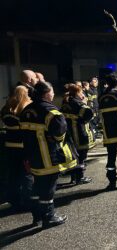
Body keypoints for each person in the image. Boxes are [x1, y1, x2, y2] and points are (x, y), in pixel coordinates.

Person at [20, 81, 77, 227]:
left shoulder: (26, 110)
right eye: (52, 92)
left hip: (32, 156)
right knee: (48, 188)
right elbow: (60, 134)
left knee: (37, 186)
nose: (53, 94)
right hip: (48, 157)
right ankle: (49, 216)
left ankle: (37, 216)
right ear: (47, 94)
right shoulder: (51, 111)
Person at [0, 86, 33, 211]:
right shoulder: (25, 109)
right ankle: (28, 200)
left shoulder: (6, 108)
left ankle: (14, 200)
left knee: (13, 174)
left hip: (9, 146)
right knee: (27, 174)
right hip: (23, 146)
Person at [61, 84, 95, 185]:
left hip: (69, 133)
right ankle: (80, 177)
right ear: (77, 93)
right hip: (79, 133)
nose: (83, 94)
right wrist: (85, 102)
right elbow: (89, 114)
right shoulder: (78, 104)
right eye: (81, 92)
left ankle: (74, 178)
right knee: (81, 156)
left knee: (73, 155)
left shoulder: (65, 102)